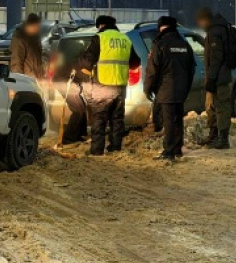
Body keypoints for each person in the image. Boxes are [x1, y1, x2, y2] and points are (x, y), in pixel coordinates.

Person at [77, 15, 140, 155]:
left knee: (99, 118)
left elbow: (87, 62)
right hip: (120, 86)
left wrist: (80, 62)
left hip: (102, 85)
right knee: (117, 119)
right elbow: (135, 63)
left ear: (101, 25)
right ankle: (115, 148)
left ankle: (97, 151)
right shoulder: (125, 39)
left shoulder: (100, 38)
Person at [144, 16, 195, 160]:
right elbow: (191, 69)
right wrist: (186, 87)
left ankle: (168, 151)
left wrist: (147, 88)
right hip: (181, 89)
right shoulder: (184, 44)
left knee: (168, 121)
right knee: (178, 119)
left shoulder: (160, 44)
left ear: (161, 27)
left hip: (165, 88)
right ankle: (177, 149)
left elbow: (152, 70)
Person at [196, 8, 233, 149]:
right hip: (219, 76)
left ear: (205, 20)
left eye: (200, 21)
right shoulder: (217, 31)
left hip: (220, 78)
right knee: (212, 107)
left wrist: (210, 81)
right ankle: (214, 136)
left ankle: (223, 140)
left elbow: (215, 60)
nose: (199, 24)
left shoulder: (215, 33)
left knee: (221, 108)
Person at [10, 13, 45, 79]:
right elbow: (16, 62)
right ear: (31, 25)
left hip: (35, 79)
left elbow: (38, 60)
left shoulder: (35, 38)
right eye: (36, 27)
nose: (38, 29)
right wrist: (20, 81)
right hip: (27, 79)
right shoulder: (19, 39)